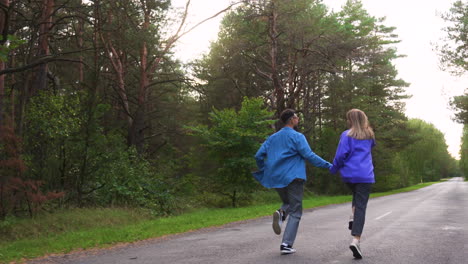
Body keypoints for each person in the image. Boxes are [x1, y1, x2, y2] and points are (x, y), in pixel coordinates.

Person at [253, 109, 332, 255]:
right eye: (296, 117)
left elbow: (258, 155)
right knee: (296, 211)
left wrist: (265, 169)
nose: (298, 119)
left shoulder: (272, 138)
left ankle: (281, 213)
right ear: (291, 120)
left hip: (276, 178)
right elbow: (309, 155)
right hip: (294, 177)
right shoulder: (298, 136)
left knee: (288, 203)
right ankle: (286, 244)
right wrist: (328, 165)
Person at [329, 109, 376, 259]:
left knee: (356, 197)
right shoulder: (370, 135)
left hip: (349, 176)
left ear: (351, 120)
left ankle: (352, 217)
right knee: (361, 206)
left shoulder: (346, 135)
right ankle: (356, 240)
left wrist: (333, 169)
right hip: (365, 175)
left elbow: (340, 155)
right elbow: (370, 148)